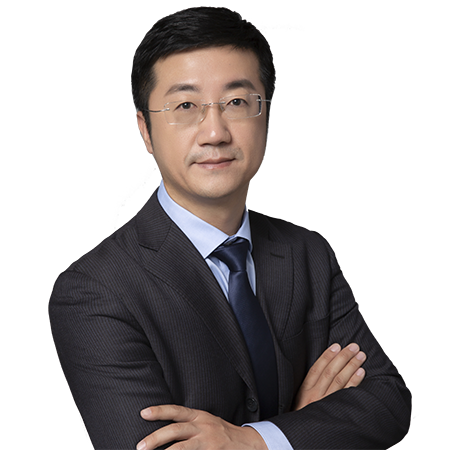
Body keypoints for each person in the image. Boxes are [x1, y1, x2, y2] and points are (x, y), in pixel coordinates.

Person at [49, 7, 411, 450]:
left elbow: (388, 402)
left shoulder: (307, 253)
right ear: (145, 130)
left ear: (266, 115)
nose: (215, 132)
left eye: (237, 102)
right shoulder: (95, 291)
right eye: (185, 106)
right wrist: (304, 428)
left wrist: (255, 441)